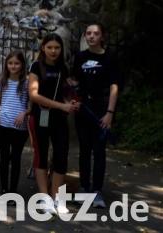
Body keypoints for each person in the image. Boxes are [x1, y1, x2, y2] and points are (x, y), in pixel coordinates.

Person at [28, 33, 79, 215]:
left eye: (57, 48)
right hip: (41, 115)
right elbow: (34, 95)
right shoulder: (36, 66)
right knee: (41, 154)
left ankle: (57, 196)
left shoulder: (62, 67)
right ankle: (45, 197)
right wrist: (61, 105)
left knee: (61, 155)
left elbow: (66, 91)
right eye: (49, 47)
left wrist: (71, 102)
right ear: (43, 48)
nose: (53, 51)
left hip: (59, 118)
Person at [72, 23, 119, 208]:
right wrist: (72, 97)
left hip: (101, 109)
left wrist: (110, 113)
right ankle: (84, 187)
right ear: (85, 36)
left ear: (102, 36)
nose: (92, 36)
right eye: (89, 33)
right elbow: (75, 81)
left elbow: (114, 86)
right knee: (84, 149)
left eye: (96, 33)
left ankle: (97, 191)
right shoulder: (80, 57)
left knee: (99, 150)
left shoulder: (110, 58)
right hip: (83, 109)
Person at [0, 51, 30, 195]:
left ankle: (13, 191)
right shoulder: (3, 81)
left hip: (20, 127)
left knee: (16, 159)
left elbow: (32, 103)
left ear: (22, 65)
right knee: (4, 158)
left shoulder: (27, 82)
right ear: (6, 65)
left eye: (17, 63)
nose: (13, 66)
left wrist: (25, 112)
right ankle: (3, 189)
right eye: (10, 63)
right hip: (3, 124)